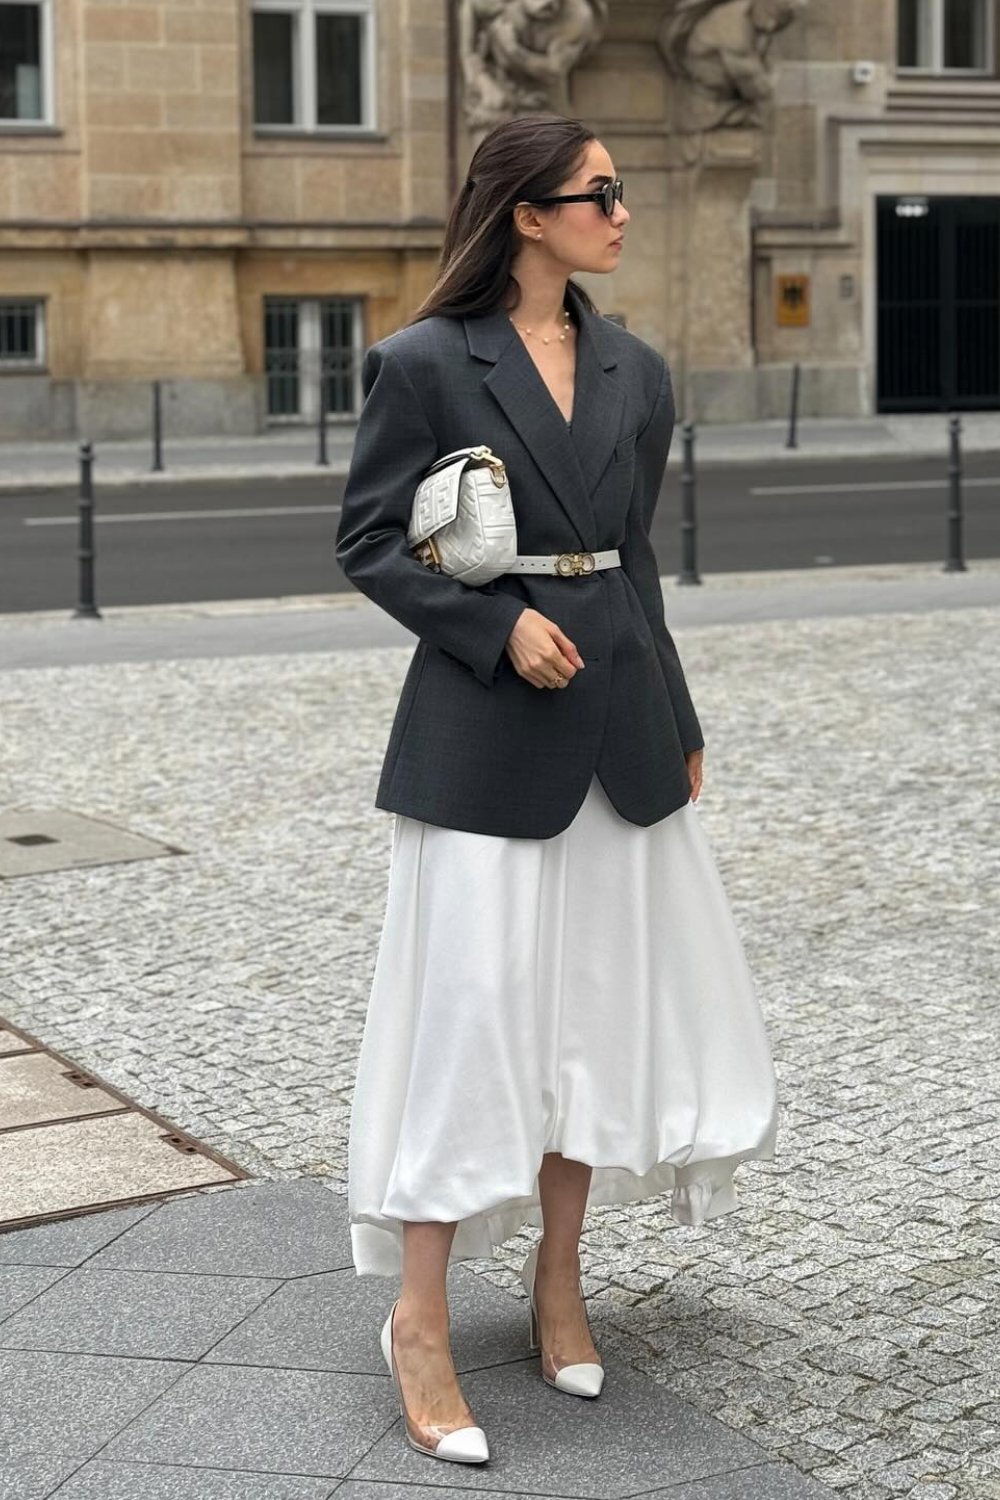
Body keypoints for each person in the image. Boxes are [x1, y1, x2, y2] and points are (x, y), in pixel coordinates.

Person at [335, 112, 779, 1467]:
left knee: (589, 1019)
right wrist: (493, 625)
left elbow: (638, 564)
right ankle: (419, 1321)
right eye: (598, 193)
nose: (620, 212)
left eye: (621, 193)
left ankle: (558, 1285)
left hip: (619, 733)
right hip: (482, 738)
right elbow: (367, 540)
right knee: (472, 1026)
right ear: (527, 213)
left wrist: (680, 718)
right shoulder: (423, 363)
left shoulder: (635, 369)